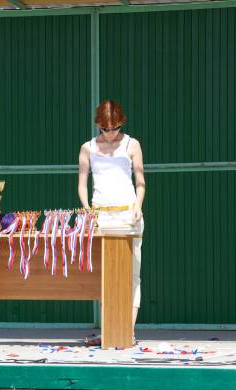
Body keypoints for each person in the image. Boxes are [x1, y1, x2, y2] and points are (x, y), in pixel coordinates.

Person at [78, 100, 145, 346]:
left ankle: (128, 331)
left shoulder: (132, 144)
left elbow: (140, 181)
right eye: (105, 129)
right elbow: (82, 184)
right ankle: (109, 330)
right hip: (101, 217)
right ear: (98, 125)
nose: (110, 133)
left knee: (132, 275)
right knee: (104, 277)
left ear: (121, 124)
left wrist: (138, 205)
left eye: (115, 128)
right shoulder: (87, 148)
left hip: (128, 215)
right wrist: (87, 210)